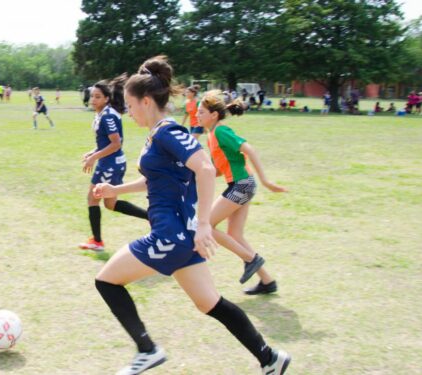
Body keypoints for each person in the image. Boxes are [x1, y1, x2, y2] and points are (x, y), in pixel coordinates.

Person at [92, 56, 290, 375]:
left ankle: (148, 350)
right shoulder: (158, 134)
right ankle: (270, 358)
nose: (128, 112)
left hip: (170, 234)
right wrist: (116, 189)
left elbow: (206, 169)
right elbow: (154, 181)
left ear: (145, 101)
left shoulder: (168, 132)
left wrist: (203, 225)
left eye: (130, 105)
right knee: (209, 303)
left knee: (106, 281)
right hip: (181, 237)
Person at [198, 91, 288, 293]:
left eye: (201, 112)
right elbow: (220, 169)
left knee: (206, 225)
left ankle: (251, 259)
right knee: (235, 234)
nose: (197, 115)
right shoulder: (212, 135)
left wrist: (265, 180)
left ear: (214, 115)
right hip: (239, 184)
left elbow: (249, 149)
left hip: (242, 184)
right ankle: (267, 281)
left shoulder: (221, 131)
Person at [79, 78, 148, 251]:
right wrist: (92, 152)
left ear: (106, 99)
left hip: (109, 164)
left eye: (97, 97)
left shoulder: (108, 116)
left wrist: (94, 158)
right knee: (110, 204)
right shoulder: (103, 113)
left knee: (92, 199)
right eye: (92, 96)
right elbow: (106, 142)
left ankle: (97, 241)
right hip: (111, 162)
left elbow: (116, 143)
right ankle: (151, 217)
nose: (93, 100)